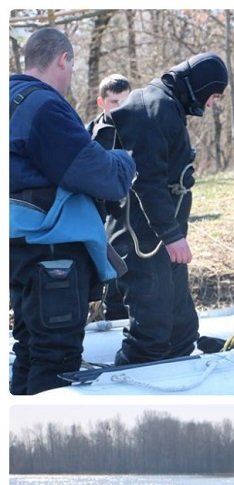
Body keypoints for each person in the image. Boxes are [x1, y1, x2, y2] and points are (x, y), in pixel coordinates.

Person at [9, 27, 136, 394]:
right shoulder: (45, 105)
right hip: (52, 253)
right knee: (57, 359)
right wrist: (123, 159)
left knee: (31, 349)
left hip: (18, 248)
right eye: (71, 64)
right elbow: (102, 177)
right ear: (63, 59)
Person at [107, 52, 228, 365]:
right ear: (200, 87)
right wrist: (172, 235)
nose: (211, 104)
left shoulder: (166, 106)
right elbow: (146, 179)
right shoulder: (153, 108)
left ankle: (179, 387)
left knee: (182, 328)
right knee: (153, 331)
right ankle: (127, 390)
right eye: (213, 96)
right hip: (142, 236)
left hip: (160, 234)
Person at [85, 73, 132, 320]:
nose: (120, 108)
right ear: (101, 102)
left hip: (134, 216)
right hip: (100, 216)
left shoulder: (140, 130)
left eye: (126, 102)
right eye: (114, 102)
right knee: (110, 279)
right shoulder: (88, 134)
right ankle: (109, 317)